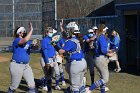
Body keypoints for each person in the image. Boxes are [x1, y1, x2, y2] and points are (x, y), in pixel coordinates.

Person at [53, 22, 87, 93]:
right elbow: (66, 36)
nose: (67, 31)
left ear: (72, 30)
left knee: (74, 87)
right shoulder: (78, 37)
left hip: (76, 64)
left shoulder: (70, 41)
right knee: (80, 85)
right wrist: (61, 27)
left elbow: (61, 51)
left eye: (68, 30)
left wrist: (53, 44)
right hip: (83, 62)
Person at [8, 22, 37, 93]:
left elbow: (34, 48)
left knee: (32, 85)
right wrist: (31, 30)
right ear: (19, 33)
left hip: (26, 65)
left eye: (25, 31)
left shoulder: (28, 42)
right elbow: (24, 40)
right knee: (14, 86)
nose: (24, 32)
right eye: (22, 31)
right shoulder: (17, 40)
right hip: (16, 65)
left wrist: (35, 45)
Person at [86, 24, 113, 93]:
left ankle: (102, 91)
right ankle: (89, 89)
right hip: (101, 59)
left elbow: (94, 46)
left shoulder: (97, 37)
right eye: (105, 29)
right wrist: (109, 54)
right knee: (105, 79)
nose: (106, 30)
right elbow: (103, 50)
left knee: (102, 78)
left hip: (97, 58)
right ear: (103, 30)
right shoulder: (102, 37)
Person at [40, 27, 61, 92]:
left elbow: (55, 49)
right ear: (46, 33)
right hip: (46, 59)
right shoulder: (44, 40)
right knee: (48, 76)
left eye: (52, 32)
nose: (51, 33)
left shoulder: (52, 40)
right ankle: (46, 87)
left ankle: (43, 81)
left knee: (56, 73)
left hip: (53, 59)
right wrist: (47, 62)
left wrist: (55, 58)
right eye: (50, 32)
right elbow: (45, 51)